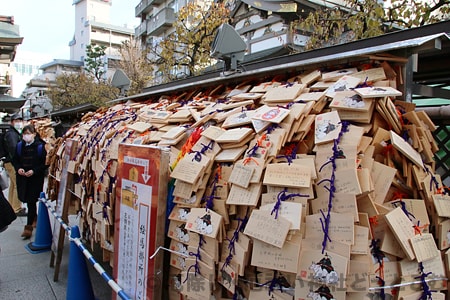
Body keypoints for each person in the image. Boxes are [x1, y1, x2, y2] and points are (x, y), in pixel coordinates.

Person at [12, 124, 48, 239]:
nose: (26, 136)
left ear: (34, 134)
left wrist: (34, 171)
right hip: (23, 178)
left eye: (29, 134)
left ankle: (28, 228)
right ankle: (34, 218)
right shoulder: (19, 146)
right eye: (25, 134)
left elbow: (44, 163)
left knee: (31, 202)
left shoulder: (40, 146)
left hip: (35, 179)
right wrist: (19, 169)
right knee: (26, 200)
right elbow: (15, 160)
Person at [3, 113, 25, 216]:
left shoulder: (13, 133)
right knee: (18, 184)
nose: (19, 123)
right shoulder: (12, 134)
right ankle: (17, 208)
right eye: (17, 121)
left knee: (13, 184)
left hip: (8, 161)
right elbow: (13, 147)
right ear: (12, 122)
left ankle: (12, 206)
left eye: (20, 121)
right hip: (12, 162)